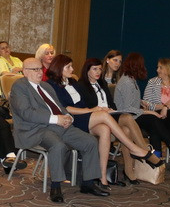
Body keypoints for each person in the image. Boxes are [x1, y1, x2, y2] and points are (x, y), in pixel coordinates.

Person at [47, 55, 162, 188]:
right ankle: (134, 148)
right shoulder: (51, 85)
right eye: (68, 67)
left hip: (87, 116)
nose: (72, 69)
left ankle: (102, 177)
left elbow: (84, 103)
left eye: (71, 66)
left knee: (107, 129)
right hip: (72, 119)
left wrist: (97, 110)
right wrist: (92, 110)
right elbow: (65, 108)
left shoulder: (72, 82)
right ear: (59, 68)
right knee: (107, 116)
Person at [10, 58, 108, 203]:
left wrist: (68, 117)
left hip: (59, 126)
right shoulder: (20, 86)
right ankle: (55, 186)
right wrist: (56, 119)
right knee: (58, 145)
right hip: (36, 129)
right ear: (25, 72)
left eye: (40, 69)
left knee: (90, 141)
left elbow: (60, 107)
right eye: (35, 69)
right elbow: (27, 113)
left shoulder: (46, 86)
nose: (39, 72)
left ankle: (88, 183)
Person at [74, 57, 153, 184]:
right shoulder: (81, 85)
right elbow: (83, 107)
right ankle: (143, 151)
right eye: (95, 69)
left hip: (109, 114)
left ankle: (130, 170)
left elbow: (112, 103)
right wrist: (101, 110)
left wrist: (111, 109)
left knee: (127, 127)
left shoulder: (102, 84)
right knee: (127, 119)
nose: (98, 72)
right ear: (87, 70)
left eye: (100, 69)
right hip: (94, 118)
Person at [113, 53, 170, 170]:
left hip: (139, 114)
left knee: (168, 115)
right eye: (142, 65)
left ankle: (159, 157)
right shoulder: (128, 82)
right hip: (128, 117)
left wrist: (154, 106)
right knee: (154, 120)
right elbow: (127, 108)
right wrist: (150, 111)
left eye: (160, 67)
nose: (156, 70)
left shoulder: (131, 80)